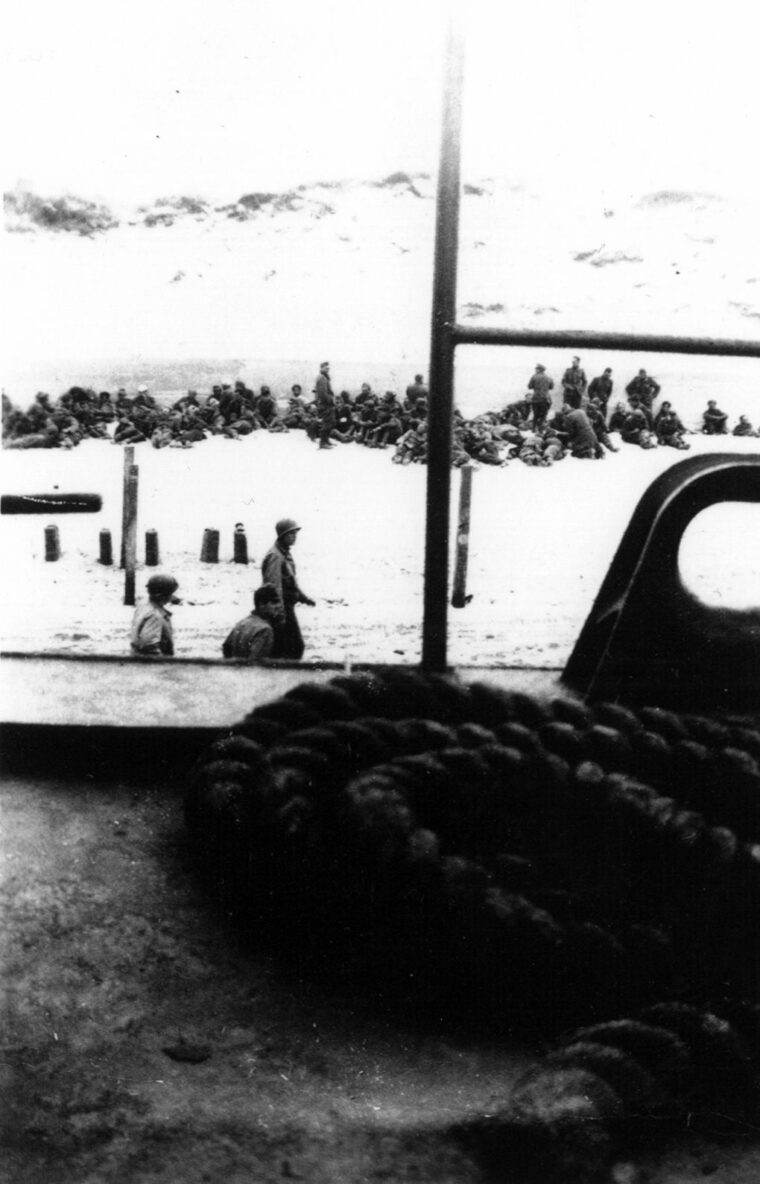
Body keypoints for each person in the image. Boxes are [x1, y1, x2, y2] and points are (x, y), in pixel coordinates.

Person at [261, 519, 315, 659]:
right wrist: (279, 615)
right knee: (294, 647)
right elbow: (274, 588)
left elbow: (290, 582)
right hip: (282, 610)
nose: (294, 536)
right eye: (291, 534)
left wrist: (304, 598)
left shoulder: (285, 553)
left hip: (287, 608)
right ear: (282, 536)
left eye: (295, 533)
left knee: (284, 647)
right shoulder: (276, 556)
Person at [222, 584, 282, 661]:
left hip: (236, 670)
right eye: (274, 602)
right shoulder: (265, 630)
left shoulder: (241, 623)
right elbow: (256, 663)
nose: (279, 606)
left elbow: (226, 647)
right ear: (261, 605)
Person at [130, 574, 179, 656]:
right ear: (162, 596)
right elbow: (149, 648)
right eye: (170, 594)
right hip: (152, 666)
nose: (172, 596)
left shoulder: (143, 608)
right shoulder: (154, 616)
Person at [314, 361, 336, 449]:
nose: (327, 370)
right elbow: (323, 394)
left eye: (328, 368)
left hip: (327, 404)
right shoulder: (322, 378)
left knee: (330, 423)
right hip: (325, 404)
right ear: (321, 368)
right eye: (326, 368)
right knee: (326, 423)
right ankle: (322, 443)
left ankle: (326, 440)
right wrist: (331, 400)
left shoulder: (325, 377)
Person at [527, 364, 554, 429]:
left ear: (539, 370)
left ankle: (533, 429)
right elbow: (551, 387)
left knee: (535, 415)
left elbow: (529, 386)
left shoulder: (534, 377)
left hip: (535, 399)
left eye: (536, 369)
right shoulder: (549, 378)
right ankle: (541, 430)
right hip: (545, 399)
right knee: (543, 416)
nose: (535, 370)